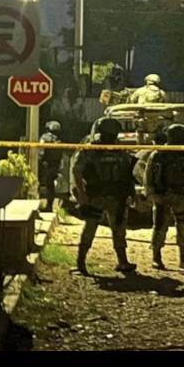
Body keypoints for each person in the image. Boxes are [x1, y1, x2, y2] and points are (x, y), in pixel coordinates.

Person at [72, 118, 138, 276]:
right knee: (91, 228)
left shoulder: (116, 150)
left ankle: (122, 261)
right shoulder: (91, 150)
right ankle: (81, 262)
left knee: (119, 229)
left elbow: (128, 173)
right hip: (97, 195)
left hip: (115, 196)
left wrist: (131, 193)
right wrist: (82, 194)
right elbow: (77, 172)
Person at [144, 123, 184, 271]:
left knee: (183, 227)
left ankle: (183, 259)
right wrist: (151, 193)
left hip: (182, 195)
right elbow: (149, 174)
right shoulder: (159, 154)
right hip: (163, 195)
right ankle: (156, 258)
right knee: (160, 227)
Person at [38, 121, 63, 213]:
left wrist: (40, 161)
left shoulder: (44, 137)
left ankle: (45, 205)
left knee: (45, 184)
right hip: (55, 166)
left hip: (46, 165)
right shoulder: (58, 140)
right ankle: (49, 205)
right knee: (50, 186)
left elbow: (41, 151)